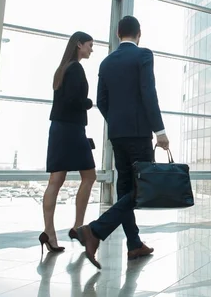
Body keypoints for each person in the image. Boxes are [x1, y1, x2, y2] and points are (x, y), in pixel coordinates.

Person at [76, 16, 169, 269]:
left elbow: (101, 100)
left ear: (118, 34)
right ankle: (94, 230)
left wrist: (116, 121)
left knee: (126, 187)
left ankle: (134, 244)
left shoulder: (106, 63)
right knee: (141, 188)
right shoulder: (143, 56)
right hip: (139, 133)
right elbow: (149, 93)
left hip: (117, 134)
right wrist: (159, 131)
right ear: (138, 34)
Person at [40, 32, 96, 255]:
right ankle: (78, 227)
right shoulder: (76, 68)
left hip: (58, 129)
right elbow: (75, 100)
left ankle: (49, 232)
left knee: (55, 180)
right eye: (90, 45)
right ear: (79, 44)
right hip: (72, 129)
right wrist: (89, 103)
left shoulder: (62, 69)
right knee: (89, 176)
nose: (91, 49)